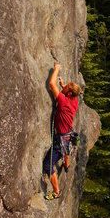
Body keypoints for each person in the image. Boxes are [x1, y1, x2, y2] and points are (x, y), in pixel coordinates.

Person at [42, 62, 81, 200]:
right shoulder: (74, 100)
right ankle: (66, 164)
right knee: (67, 148)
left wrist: (57, 69)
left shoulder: (64, 102)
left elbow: (52, 84)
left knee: (48, 165)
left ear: (69, 94)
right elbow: (67, 91)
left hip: (61, 139)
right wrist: (65, 86)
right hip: (68, 135)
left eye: (67, 88)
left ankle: (56, 191)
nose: (63, 87)